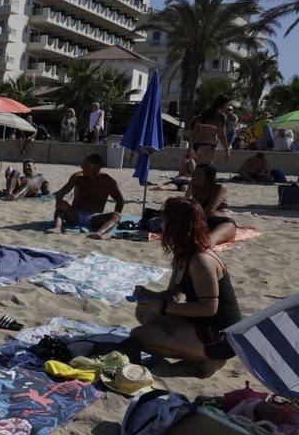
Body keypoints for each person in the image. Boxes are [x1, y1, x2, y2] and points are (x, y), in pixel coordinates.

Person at [127, 198, 242, 376]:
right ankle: (195, 353)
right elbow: (173, 294)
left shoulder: (200, 260)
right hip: (200, 323)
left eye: (164, 219)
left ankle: (201, 363)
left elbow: (209, 308)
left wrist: (163, 306)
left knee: (139, 337)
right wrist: (151, 295)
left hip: (219, 336)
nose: (161, 224)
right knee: (144, 312)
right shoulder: (184, 253)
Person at [47, 153, 125, 236]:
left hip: (94, 217)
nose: (81, 167)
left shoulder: (108, 182)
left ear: (96, 168)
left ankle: (99, 233)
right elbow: (60, 193)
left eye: (85, 165)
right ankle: (57, 227)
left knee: (117, 215)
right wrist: (59, 205)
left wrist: (113, 220)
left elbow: (120, 201)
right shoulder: (77, 177)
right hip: (75, 215)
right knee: (62, 204)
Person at [185, 163, 236, 246]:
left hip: (220, 222)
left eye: (198, 175)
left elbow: (209, 210)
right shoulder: (195, 187)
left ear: (208, 178)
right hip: (202, 222)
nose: (194, 177)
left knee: (207, 242)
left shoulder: (219, 188)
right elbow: (185, 200)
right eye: (194, 174)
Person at [189, 95, 233, 165]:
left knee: (196, 169)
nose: (227, 107)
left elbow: (194, 132)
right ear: (223, 104)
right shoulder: (221, 116)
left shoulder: (204, 114)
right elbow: (222, 135)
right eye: (227, 104)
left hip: (195, 145)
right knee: (204, 168)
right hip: (208, 145)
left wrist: (189, 149)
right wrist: (227, 151)